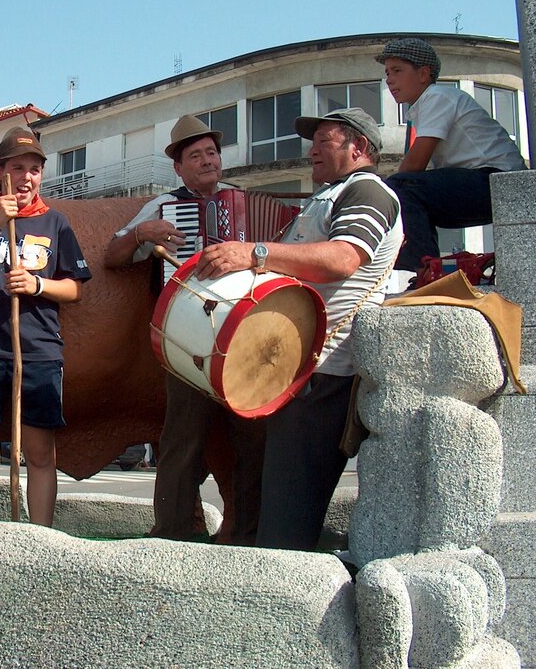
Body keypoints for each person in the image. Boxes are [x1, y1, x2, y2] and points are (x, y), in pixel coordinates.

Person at [194, 108, 403, 551]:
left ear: (358, 147)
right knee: (273, 500)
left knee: (288, 512)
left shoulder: (368, 192)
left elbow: (344, 258)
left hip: (323, 370)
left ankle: (285, 604)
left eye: (324, 141)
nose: (311, 151)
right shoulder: (332, 194)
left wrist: (255, 253)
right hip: (298, 366)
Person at [105, 115, 266, 545]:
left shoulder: (248, 204)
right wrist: (141, 232)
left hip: (243, 335)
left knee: (251, 439)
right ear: (178, 168)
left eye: (211, 152)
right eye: (195, 156)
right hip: (190, 336)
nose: (207, 161)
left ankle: (249, 533)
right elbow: (113, 255)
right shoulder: (163, 207)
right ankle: (172, 534)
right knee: (182, 439)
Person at [0, 127, 91, 530]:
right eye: (17, 168)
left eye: (34, 169)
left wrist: (37, 284)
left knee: (41, 455)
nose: (26, 177)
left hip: (39, 352)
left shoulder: (55, 223)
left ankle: (40, 542)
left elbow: (75, 288)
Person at [376, 37, 526, 275]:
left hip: (497, 182)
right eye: (387, 72)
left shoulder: (437, 97)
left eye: (397, 70)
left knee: (401, 187)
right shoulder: (425, 104)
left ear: (424, 74)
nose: (389, 79)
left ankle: (421, 269)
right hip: (488, 183)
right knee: (411, 201)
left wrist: (379, 194)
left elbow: (414, 165)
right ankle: (430, 268)